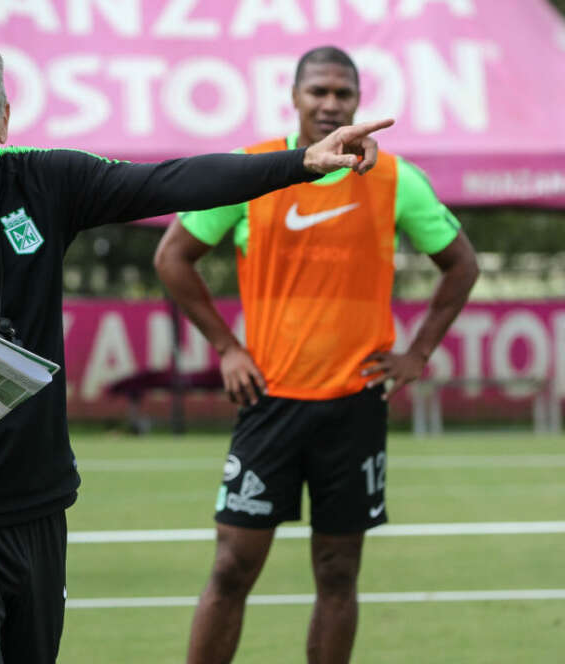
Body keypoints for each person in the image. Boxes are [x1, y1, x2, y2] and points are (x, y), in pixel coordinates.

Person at [0, 33, 393, 664]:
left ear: (5, 121)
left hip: (40, 502)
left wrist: (300, 162)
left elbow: (171, 182)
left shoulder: (47, 182)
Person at [153, 46, 480, 664]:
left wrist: (418, 353)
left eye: (343, 94)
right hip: (268, 401)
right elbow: (172, 257)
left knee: (337, 573)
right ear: (296, 97)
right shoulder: (254, 169)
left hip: (353, 406)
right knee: (231, 567)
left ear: (357, 101)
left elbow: (461, 265)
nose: (331, 104)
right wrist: (227, 347)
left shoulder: (395, 178)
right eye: (319, 92)